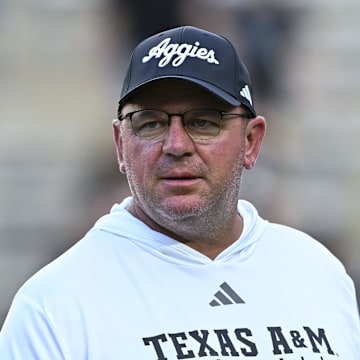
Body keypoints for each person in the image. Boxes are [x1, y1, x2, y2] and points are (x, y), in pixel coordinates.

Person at [0, 25, 359, 359]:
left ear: (251, 141)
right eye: (151, 123)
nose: (175, 144)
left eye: (203, 122)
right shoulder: (52, 306)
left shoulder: (317, 273)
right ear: (120, 146)